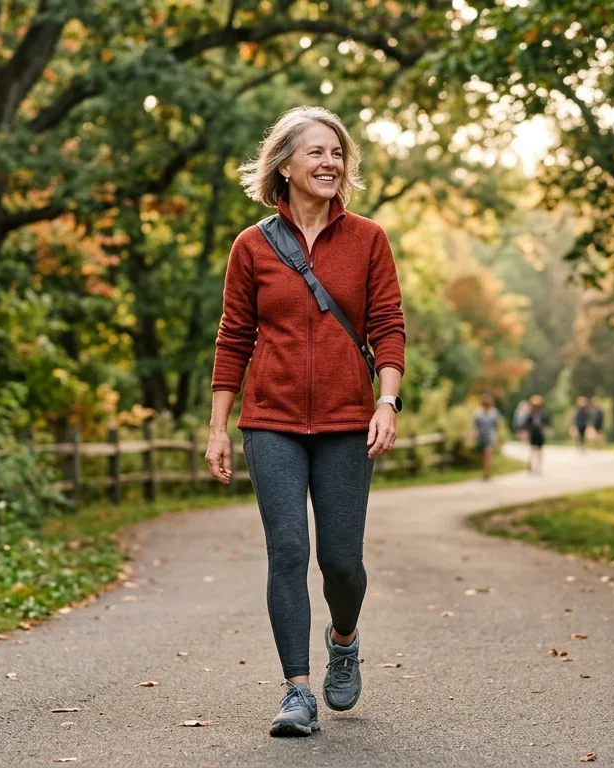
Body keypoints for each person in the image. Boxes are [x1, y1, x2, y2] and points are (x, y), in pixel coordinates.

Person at [205, 106, 406, 738]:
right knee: (288, 550)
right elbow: (233, 337)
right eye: (316, 152)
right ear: (285, 165)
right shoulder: (252, 246)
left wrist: (387, 401)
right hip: (272, 422)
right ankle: (297, 690)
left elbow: (388, 327)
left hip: (349, 420)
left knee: (340, 563)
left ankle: (342, 639)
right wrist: (219, 426)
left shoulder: (368, 239)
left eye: (337, 153)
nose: (329, 163)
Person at [513, 395, 549, 474]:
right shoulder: (530, 414)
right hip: (533, 433)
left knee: (539, 451)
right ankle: (531, 465)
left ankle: (538, 467)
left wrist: (545, 430)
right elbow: (526, 424)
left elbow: (545, 423)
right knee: (532, 450)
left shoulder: (542, 413)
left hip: (539, 434)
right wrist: (525, 432)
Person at [472, 394, 501, 480]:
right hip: (481, 437)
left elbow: (496, 426)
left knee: (487, 453)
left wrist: (496, 438)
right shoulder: (477, 412)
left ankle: (486, 473)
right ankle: (487, 470)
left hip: (490, 436)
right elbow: (475, 426)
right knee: (484, 455)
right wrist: (473, 435)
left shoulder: (494, 412)